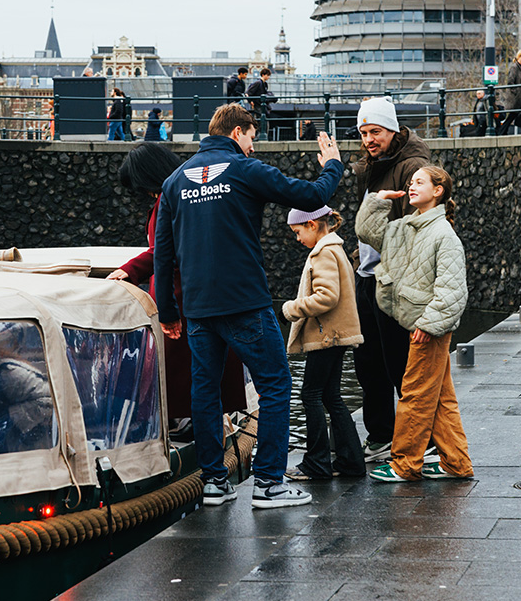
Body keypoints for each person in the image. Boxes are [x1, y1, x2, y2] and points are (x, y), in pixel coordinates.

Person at [153, 103, 342, 509]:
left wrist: (167, 311)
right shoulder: (243, 169)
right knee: (275, 384)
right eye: (252, 137)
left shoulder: (174, 181)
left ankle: (214, 483)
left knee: (205, 391)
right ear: (237, 132)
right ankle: (270, 483)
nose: (254, 146)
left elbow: (163, 254)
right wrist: (333, 165)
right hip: (244, 302)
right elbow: (312, 196)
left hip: (198, 309)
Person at [107, 143, 248, 433]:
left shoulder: (168, 200)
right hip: (190, 292)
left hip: (178, 295)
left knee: (176, 365)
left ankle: (182, 420)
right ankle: (193, 421)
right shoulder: (180, 195)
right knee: (190, 366)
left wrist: (130, 269)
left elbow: (164, 251)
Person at [355, 165, 473, 482]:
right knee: (441, 400)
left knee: (415, 396)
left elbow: (453, 291)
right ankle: (456, 462)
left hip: (426, 329)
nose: (411, 186)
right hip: (417, 325)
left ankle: (405, 464)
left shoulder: (443, 235)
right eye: (411, 182)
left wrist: (428, 325)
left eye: (420, 182)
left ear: (438, 190)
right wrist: (378, 201)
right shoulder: (410, 227)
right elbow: (368, 234)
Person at [350, 96, 431, 464]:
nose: (369, 139)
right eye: (363, 132)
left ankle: (421, 443)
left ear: (394, 130)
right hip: (367, 276)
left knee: (400, 366)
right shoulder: (374, 165)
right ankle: (381, 437)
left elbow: (419, 227)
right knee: (369, 366)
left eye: (376, 131)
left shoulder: (412, 166)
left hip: (394, 282)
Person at [281, 205, 366, 481]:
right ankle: (351, 461)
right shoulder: (334, 248)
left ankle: (316, 463)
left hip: (326, 336)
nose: (297, 239)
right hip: (334, 335)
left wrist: (291, 309)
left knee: (311, 395)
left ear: (312, 225)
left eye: (298, 232)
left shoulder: (324, 253)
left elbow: (327, 297)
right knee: (331, 396)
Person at [498, 49, 521, 135]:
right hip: (519, 96)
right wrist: (517, 92)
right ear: (519, 57)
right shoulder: (515, 67)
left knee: (515, 114)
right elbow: (510, 81)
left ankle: (503, 131)